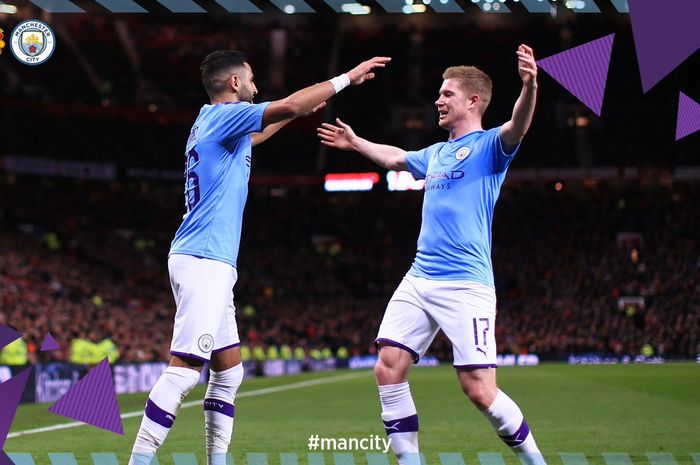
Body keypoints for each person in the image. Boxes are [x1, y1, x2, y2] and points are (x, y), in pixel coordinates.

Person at [128, 50, 390, 465]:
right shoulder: (225, 115)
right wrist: (346, 78)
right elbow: (285, 104)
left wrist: (294, 115)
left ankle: (217, 460)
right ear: (233, 83)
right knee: (183, 372)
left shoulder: (208, 122)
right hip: (204, 259)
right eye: (250, 78)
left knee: (229, 372)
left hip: (207, 259)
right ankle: (139, 460)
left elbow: (262, 131)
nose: (255, 85)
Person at [317, 45, 544, 464]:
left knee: (478, 389)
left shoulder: (491, 146)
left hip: (465, 282)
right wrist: (355, 142)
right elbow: (395, 158)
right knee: (387, 367)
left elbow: (518, 125)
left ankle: (536, 461)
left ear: (473, 101)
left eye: (447, 94)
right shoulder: (436, 153)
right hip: (420, 277)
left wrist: (529, 84)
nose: (438, 100)